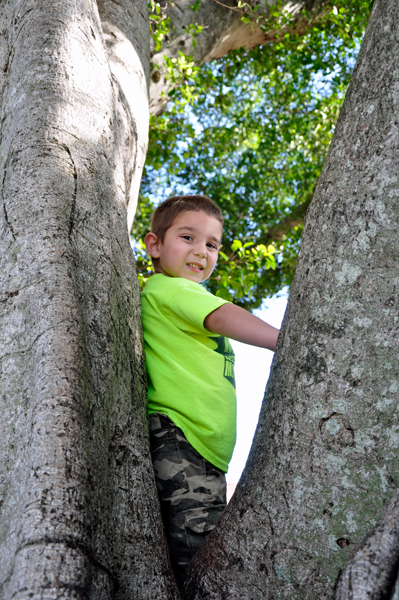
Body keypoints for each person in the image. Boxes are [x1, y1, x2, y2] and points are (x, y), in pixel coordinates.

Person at [141, 195, 279, 586]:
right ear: (155, 245)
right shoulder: (169, 289)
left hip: (201, 449)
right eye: (188, 237)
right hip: (181, 437)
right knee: (197, 563)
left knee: (203, 548)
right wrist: (281, 339)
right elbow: (222, 315)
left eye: (212, 244)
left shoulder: (181, 294)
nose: (201, 251)